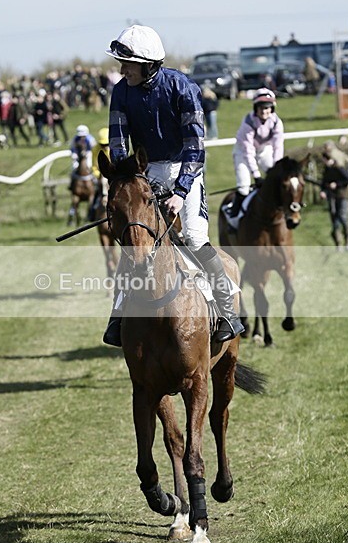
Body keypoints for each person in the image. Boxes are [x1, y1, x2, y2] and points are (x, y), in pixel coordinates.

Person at [102, 23, 244, 347]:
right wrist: (127, 182)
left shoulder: (183, 88)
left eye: (128, 63)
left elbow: (196, 147)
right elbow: (118, 142)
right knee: (135, 239)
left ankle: (226, 312)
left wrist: (180, 193)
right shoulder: (120, 92)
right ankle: (118, 313)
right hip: (145, 171)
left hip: (185, 167)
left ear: (148, 63)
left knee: (193, 236)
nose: (122, 70)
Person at [230, 88, 285, 218]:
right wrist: (256, 175)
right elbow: (248, 151)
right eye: (261, 108)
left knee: (276, 179)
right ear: (255, 108)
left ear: (272, 108)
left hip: (264, 150)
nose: (264, 111)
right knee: (243, 187)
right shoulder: (248, 123)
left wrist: (277, 168)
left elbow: (278, 147)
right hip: (242, 152)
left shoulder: (277, 122)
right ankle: (234, 217)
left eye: (267, 108)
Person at [319, 143, 348, 250]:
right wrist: (323, 191)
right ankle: (338, 243)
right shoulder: (327, 170)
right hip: (331, 196)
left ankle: (347, 239)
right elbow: (324, 182)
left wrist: (337, 184)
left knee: (342, 217)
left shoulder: (338, 167)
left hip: (342, 195)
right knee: (334, 219)